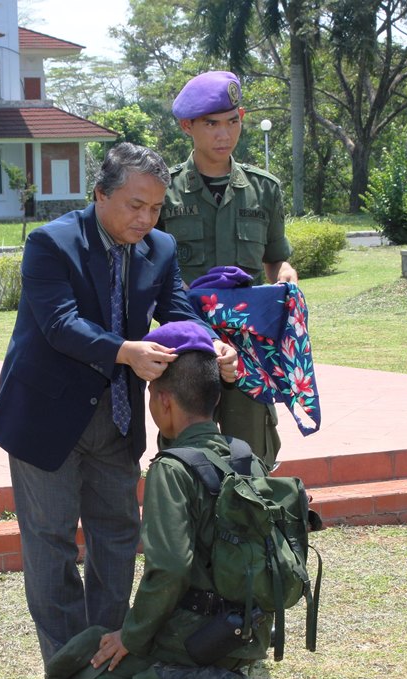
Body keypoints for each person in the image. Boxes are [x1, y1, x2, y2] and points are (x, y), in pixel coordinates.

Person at [0, 143, 238, 667]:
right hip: (46, 417)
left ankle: (107, 650)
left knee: (118, 535)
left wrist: (211, 346)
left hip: (117, 415)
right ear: (100, 194)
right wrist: (125, 351)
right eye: (134, 204)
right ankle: (66, 663)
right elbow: (59, 324)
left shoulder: (160, 249)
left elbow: (178, 311)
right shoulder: (51, 243)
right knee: (51, 541)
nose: (145, 218)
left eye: (155, 207)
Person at [45, 320, 271, 679]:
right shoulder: (245, 456)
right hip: (244, 631)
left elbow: (169, 568)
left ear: (164, 402)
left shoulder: (173, 469)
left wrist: (131, 636)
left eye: (150, 396)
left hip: (194, 633)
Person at [157, 70, 298, 469]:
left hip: (249, 346)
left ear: (243, 118)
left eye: (232, 121)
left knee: (250, 455)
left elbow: (276, 257)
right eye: (212, 124)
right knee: (184, 459)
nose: (224, 134)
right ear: (188, 126)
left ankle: (248, 527)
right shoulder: (163, 193)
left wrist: (285, 276)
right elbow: (148, 267)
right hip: (186, 345)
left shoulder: (263, 189)